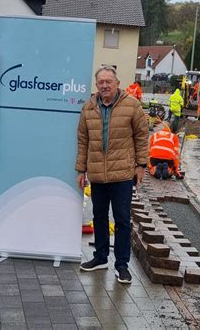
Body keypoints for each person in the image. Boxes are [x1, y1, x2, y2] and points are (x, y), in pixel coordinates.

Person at [76, 66, 148, 284]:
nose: (105, 85)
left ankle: (122, 265)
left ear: (117, 83)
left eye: (109, 81)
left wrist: (141, 165)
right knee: (98, 217)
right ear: (96, 85)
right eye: (101, 82)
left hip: (123, 174)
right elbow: (83, 141)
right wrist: (81, 169)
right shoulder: (88, 108)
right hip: (98, 174)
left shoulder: (132, 105)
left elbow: (142, 135)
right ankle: (100, 257)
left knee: (122, 220)